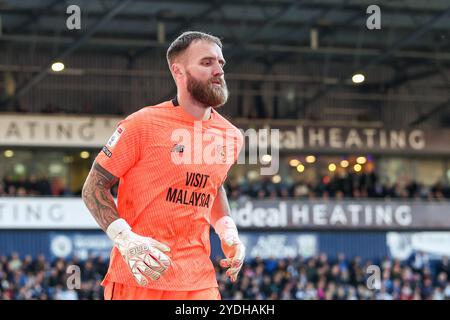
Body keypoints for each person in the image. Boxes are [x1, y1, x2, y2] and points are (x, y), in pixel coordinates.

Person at [82, 31, 245, 300]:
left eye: (221, 63)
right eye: (207, 63)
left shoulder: (232, 136)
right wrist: (125, 239)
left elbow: (213, 185)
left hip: (198, 280)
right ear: (178, 71)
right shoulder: (142, 124)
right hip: (140, 275)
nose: (218, 70)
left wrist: (228, 231)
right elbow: (93, 187)